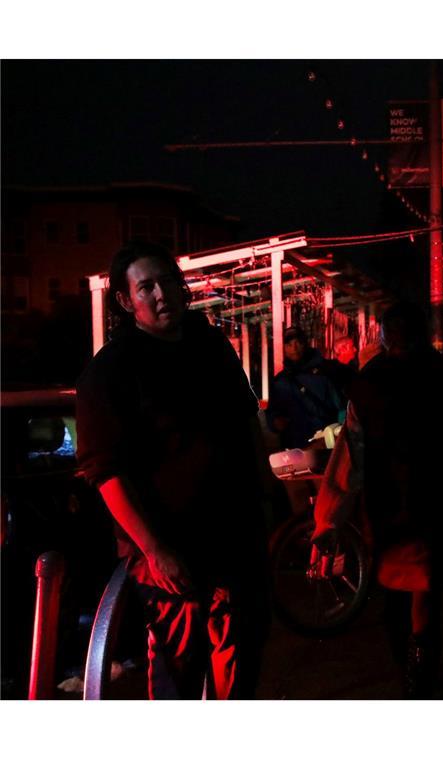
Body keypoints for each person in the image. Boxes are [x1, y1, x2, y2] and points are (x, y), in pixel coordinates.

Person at [76, 241, 273, 699]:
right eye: (146, 287)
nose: (161, 294)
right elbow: (105, 473)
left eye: (167, 281)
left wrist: (265, 494)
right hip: (171, 554)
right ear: (127, 301)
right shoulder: (111, 372)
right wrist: (154, 548)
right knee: (175, 673)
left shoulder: (210, 344)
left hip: (235, 537)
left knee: (241, 660)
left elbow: (246, 420)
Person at [313, 302, 443, 698]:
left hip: (386, 502)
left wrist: (329, 516)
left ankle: (409, 672)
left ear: (383, 336)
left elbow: (353, 451)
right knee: (424, 593)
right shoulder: (442, 374)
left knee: (393, 594)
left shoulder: (370, 381)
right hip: (432, 497)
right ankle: (421, 677)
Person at [267, 325, 345, 450]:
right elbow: (272, 413)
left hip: (325, 445)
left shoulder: (325, 373)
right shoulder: (280, 381)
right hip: (295, 449)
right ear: (284, 349)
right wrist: (275, 422)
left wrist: (339, 436)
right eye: (289, 344)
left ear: (306, 344)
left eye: (298, 342)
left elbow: (341, 407)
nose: (294, 348)